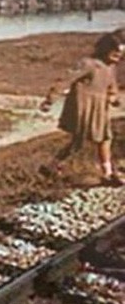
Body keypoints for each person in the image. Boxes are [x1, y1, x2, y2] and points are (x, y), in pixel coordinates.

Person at [40, 27, 124, 186]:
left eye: (120, 56)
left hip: (100, 109)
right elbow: (66, 79)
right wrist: (51, 99)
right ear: (105, 50)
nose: (117, 59)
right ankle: (54, 165)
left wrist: (114, 97)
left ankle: (107, 172)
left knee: (103, 139)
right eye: (114, 54)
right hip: (85, 108)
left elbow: (111, 86)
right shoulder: (88, 64)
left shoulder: (110, 67)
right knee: (84, 141)